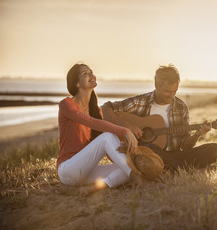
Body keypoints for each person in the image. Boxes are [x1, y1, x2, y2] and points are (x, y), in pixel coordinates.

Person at [101, 64, 217, 172]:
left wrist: (197, 135)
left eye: (175, 91)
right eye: (167, 91)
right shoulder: (140, 102)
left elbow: (185, 146)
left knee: (216, 149)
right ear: (157, 85)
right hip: (150, 155)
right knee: (149, 147)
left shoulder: (181, 107)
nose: (171, 95)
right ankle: (186, 169)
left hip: (175, 155)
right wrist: (128, 127)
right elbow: (106, 107)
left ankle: (173, 169)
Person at [57, 63, 151, 196]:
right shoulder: (66, 105)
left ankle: (97, 187)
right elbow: (92, 123)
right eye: (85, 74)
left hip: (87, 172)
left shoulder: (96, 111)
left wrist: (121, 149)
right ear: (76, 83)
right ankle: (136, 178)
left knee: (127, 167)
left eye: (91, 72)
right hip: (67, 170)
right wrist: (125, 131)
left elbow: (106, 148)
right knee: (108, 136)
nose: (91, 75)